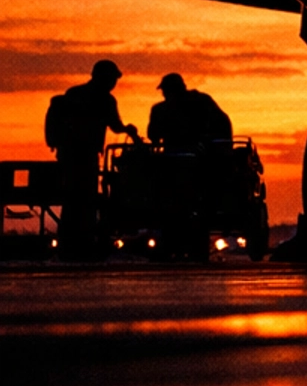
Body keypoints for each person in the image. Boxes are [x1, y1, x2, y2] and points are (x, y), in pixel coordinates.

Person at [45, 58, 135, 255]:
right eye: (112, 78)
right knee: (85, 198)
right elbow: (115, 125)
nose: (114, 83)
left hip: (68, 155)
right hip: (85, 155)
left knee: (71, 198)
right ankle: (82, 242)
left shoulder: (74, 93)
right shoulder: (105, 99)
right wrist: (130, 131)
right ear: (104, 77)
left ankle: (68, 241)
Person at [147, 72, 234, 152]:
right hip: (181, 157)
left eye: (165, 90)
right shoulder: (203, 100)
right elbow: (153, 135)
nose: (164, 94)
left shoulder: (201, 102)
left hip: (199, 156)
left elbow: (153, 135)